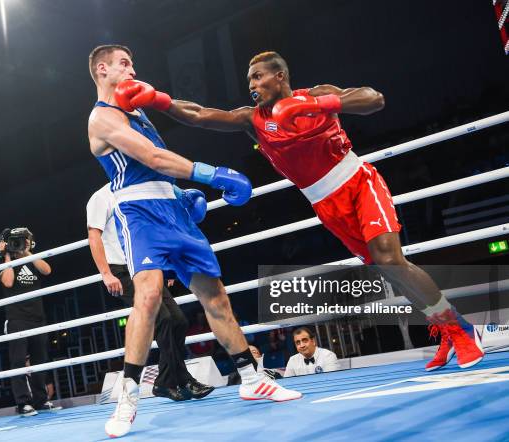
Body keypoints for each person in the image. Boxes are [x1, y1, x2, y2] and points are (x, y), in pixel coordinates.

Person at [112, 51, 484, 373]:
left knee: (390, 258)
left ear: (280, 76)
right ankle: (449, 328)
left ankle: (461, 329)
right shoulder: (252, 119)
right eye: (248, 79)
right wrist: (158, 99)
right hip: (324, 203)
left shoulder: (316, 94)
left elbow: (374, 99)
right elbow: (198, 114)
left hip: (357, 182)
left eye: (258, 76)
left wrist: (313, 106)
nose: (252, 84)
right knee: (388, 271)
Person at [87, 44, 302, 438]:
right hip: (142, 216)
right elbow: (152, 159)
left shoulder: (140, 112)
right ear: (102, 69)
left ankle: (251, 379)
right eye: (123, 63)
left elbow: (162, 166)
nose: (132, 68)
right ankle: (128, 397)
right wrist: (212, 174)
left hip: (174, 211)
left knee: (215, 295)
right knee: (148, 296)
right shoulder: (102, 118)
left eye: (133, 61)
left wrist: (182, 194)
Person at [87, 182, 215, 402]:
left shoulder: (138, 193)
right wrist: (106, 274)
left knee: (179, 320)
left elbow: (153, 231)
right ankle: (182, 380)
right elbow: (94, 235)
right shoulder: (101, 196)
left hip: (146, 266)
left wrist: (167, 267)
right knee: (163, 319)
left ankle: (166, 382)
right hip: (121, 270)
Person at [0, 228, 59, 417]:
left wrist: (26, 253)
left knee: (39, 360)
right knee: (18, 361)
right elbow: (7, 282)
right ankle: (23, 403)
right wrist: (7, 256)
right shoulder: (2, 262)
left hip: (38, 317)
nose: (19, 245)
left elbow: (47, 270)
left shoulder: (31, 260)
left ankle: (41, 400)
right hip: (17, 318)